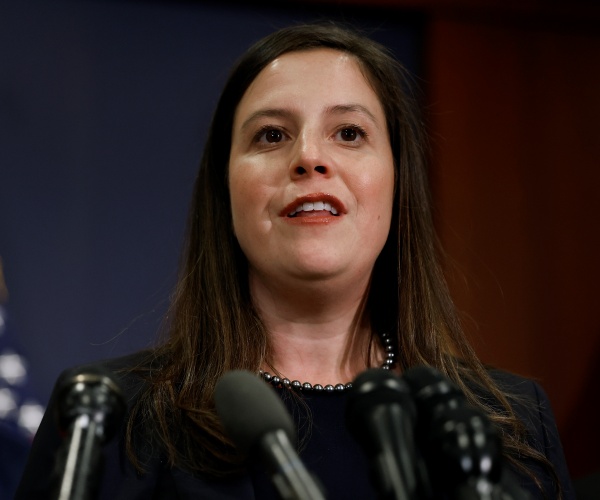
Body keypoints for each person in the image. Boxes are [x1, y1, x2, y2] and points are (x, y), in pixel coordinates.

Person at [16, 22, 574, 499]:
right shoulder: (108, 421)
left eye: (349, 133)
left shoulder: (510, 424)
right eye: (272, 135)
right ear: (226, 189)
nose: (309, 157)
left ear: (398, 183)